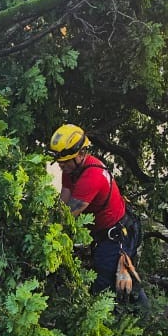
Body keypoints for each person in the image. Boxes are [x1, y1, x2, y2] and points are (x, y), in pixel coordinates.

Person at [48, 124, 149, 306]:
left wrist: (45, 231)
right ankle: (133, 311)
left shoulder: (91, 176)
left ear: (81, 153)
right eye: (60, 161)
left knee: (105, 284)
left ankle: (142, 315)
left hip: (117, 236)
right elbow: (63, 200)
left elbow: (68, 216)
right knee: (113, 279)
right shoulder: (71, 170)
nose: (61, 165)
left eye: (66, 161)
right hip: (104, 233)